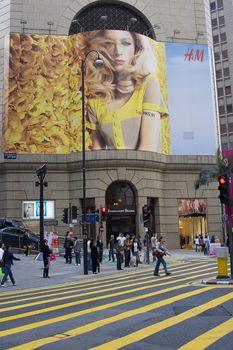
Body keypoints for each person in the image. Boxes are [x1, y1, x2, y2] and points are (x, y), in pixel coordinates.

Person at [78, 30, 168, 152]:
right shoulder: (96, 101)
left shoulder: (148, 84)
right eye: (109, 43)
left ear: (137, 49)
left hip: (144, 169)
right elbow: (97, 152)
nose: (118, 52)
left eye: (125, 43)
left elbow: (148, 149)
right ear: (101, 50)